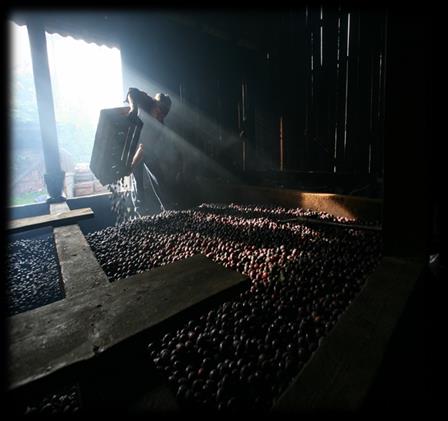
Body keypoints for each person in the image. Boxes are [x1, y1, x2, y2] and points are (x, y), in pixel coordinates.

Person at [125, 87, 175, 215]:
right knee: (138, 181)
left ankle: (167, 209)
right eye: (158, 112)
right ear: (155, 104)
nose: (158, 117)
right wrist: (133, 108)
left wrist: (144, 150)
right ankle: (139, 213)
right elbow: (131, 92)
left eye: (161, 116)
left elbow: (150, 143)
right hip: (133, 145)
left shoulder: (160, 124)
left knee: (159, 177)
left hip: (146, 147)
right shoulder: (146, 100)